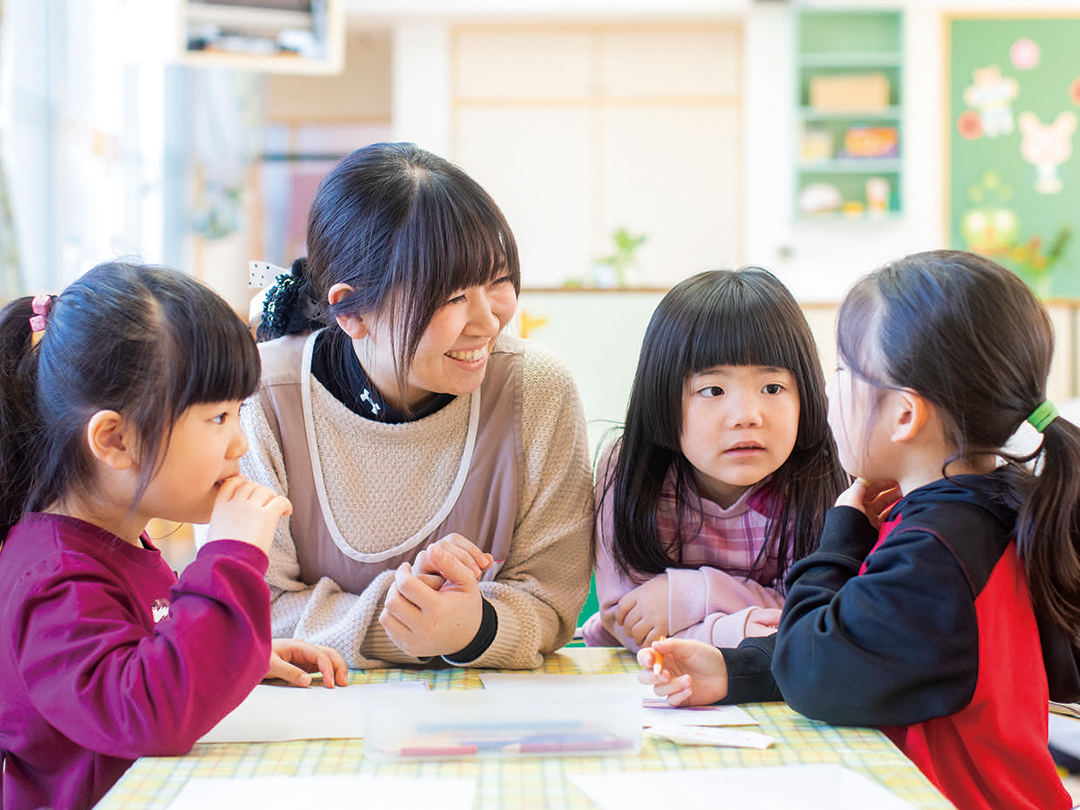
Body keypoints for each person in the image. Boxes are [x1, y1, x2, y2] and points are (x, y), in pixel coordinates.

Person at [641, 250, 1080, 810]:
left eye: (845, 371)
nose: (829, 392)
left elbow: (816, 672)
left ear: (903, 415)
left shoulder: (937, 550)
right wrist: (735, 669)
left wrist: (841, 533)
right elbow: (875, 651)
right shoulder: (990, 512)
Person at [0, 262, 348, 810]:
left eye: (238, 414)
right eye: (217, 419)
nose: (238, 444)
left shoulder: (109, 541)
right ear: (115, 439)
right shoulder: (54, 576)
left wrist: (235, 654)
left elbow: (139, 659)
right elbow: (149, 714)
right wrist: (230, 555)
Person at [243, 142, 593, 670]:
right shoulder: (264, 397)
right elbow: (253, 608)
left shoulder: (536, 391)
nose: (489, 321)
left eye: (496, 281)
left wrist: (475, 628)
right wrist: (414, 623)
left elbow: (552, 597)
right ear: (350, 312)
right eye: (451, 297)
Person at [582, 268, 847, 653]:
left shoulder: (822, 474)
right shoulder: (630, 468)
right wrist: (744, 629)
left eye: (772, 387)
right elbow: (628, 621)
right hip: (633, 676)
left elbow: (814, 618)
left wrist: (691, 593)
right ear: (663, 397)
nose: (746, 415)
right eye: (713, 389)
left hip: (772, 684)